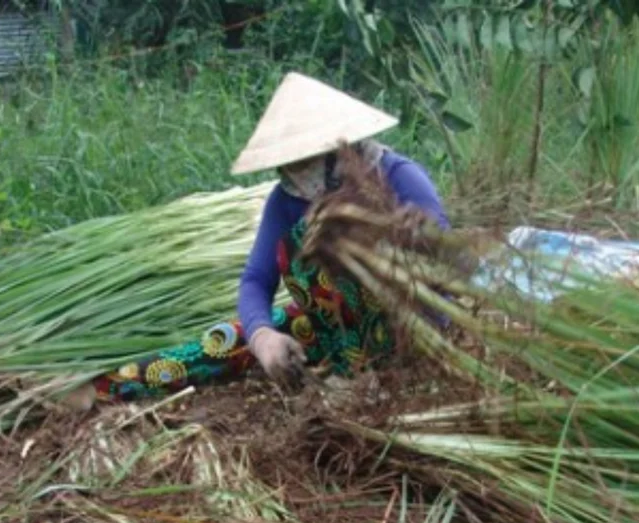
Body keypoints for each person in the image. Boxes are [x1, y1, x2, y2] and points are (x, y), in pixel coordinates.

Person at [70, 72, 449, 409]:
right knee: (223, 341)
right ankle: (102, 387)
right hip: (326, 332)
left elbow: (443, 269)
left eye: (300, 164)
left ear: (338, 152)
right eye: (285, 166)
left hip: (404, 334)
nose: (292, 176)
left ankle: (373, 379)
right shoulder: (286, 201)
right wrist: (263, 337)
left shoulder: (399, 179)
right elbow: (256, 280)